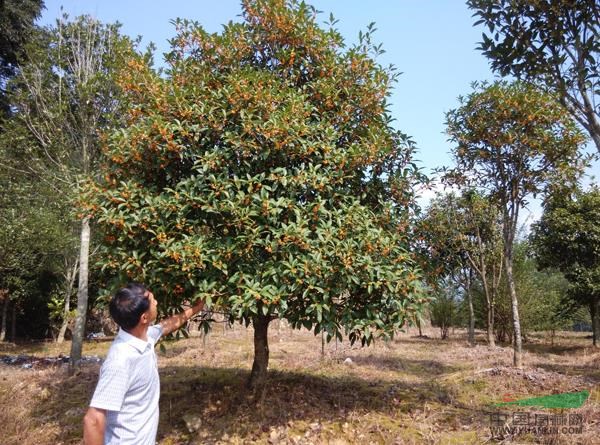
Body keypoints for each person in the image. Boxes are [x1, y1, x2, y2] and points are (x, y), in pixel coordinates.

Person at [83, 282, 205, 445]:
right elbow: (93, 420)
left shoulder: (142, 337)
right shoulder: (120, 360)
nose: (156, 303)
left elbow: (167, 325)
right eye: (153, 301)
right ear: (144, 318)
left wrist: (196, 308)